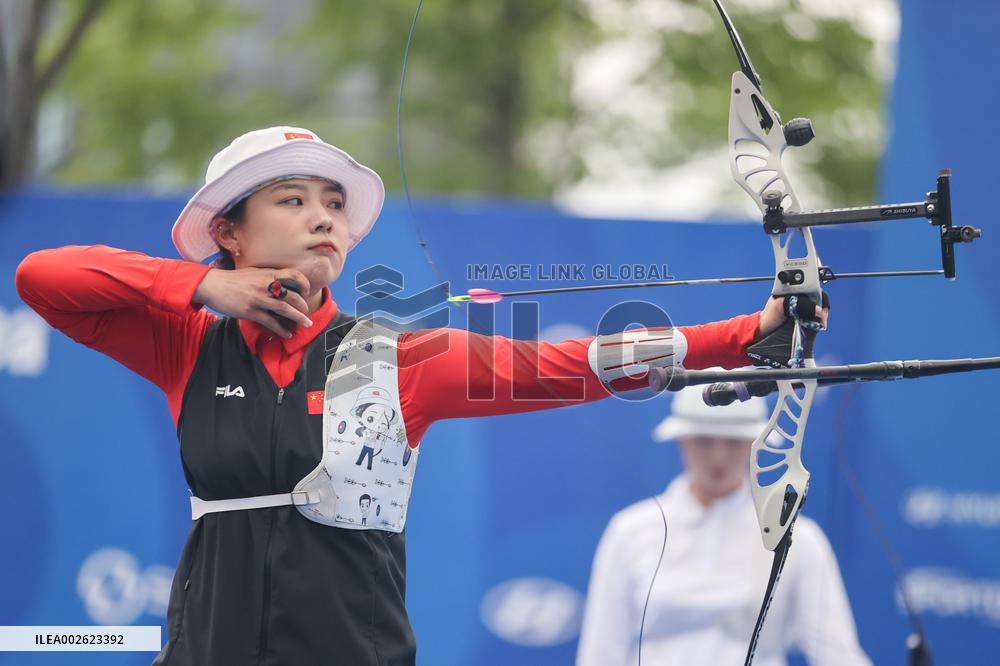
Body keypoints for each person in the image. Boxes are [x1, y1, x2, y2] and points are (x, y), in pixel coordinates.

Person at [15, 126, 807, 665]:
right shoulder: (185, 341)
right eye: (292, 201)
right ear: (231, 230)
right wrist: (204, 288)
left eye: (333, 204)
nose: (324, 218)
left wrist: (752, 331)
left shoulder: (397, 357)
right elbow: (41, 278)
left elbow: (576, 362)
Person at [576, 384, 869, 666]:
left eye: (732, 442)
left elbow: (837, 653)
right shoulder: (629, 532)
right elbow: (601, 652)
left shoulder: (796, 539)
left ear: (755, 444)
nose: (718, 456)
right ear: (682, 440)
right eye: (704, 440)